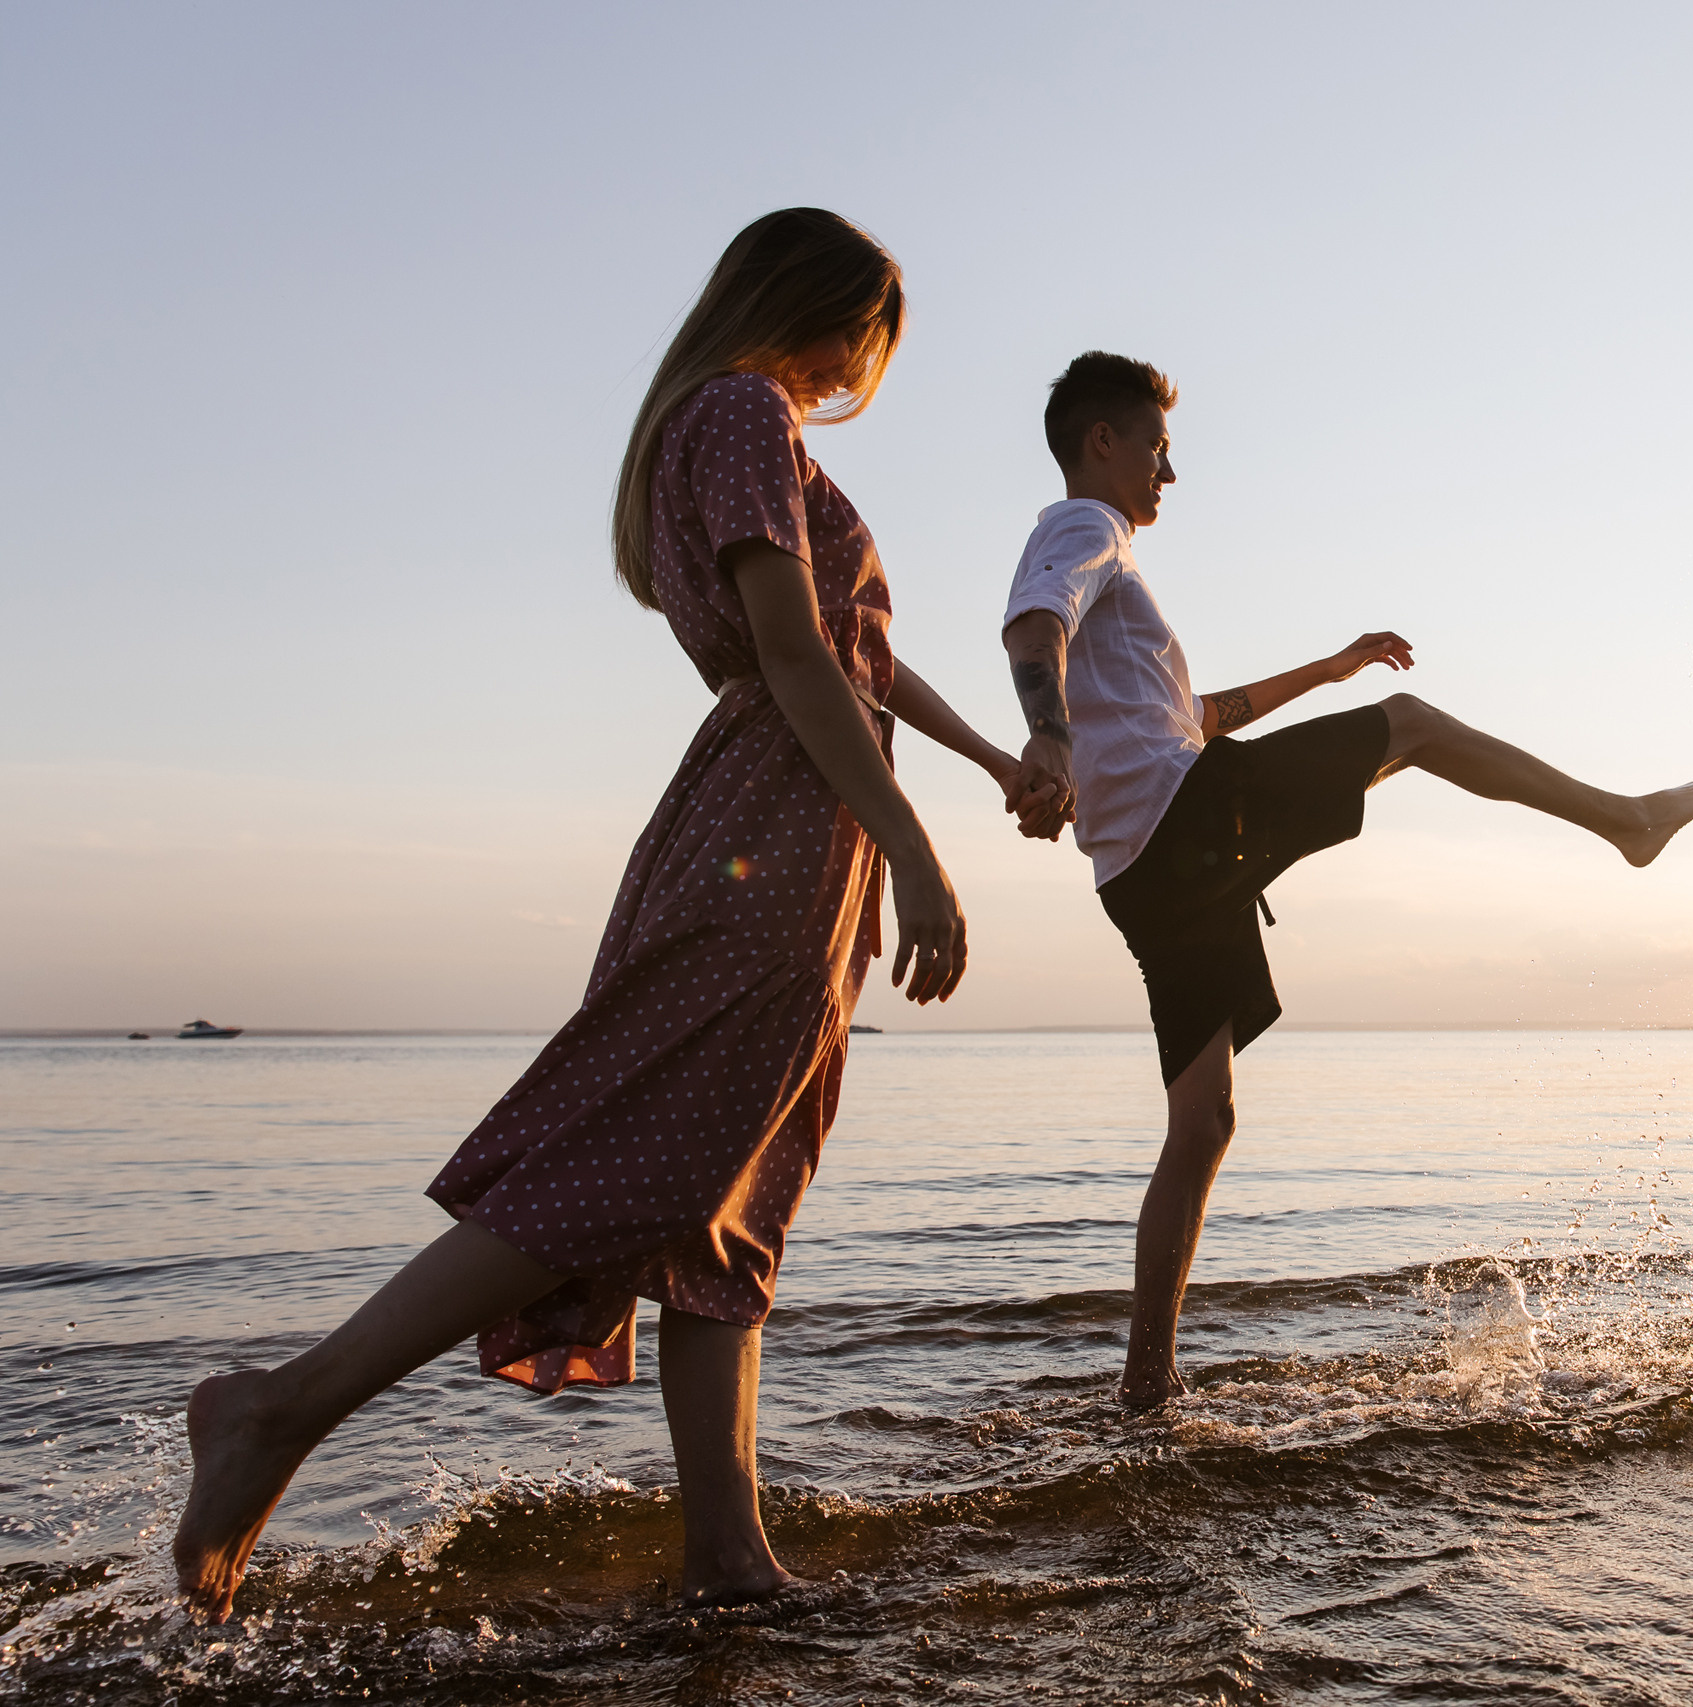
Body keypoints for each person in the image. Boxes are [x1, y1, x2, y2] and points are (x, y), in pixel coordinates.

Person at [173, 208, 1059, 1620]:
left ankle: (726, 1551)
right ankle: (281, 1406)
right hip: (773, 820)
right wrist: (918, 846)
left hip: (807, 824)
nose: (862, 365)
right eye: (867, 334)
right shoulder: (734, 414)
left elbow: (859, 657)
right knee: (636, 1160)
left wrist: (994, 765)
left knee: (728, 1210)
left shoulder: (759, 434)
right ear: (827, 315)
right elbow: (790, 652)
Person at [999, 351, 1693, 1412]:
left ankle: (1145, 1392)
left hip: (1144, 873)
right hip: (1184, 821)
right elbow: (1034, 625)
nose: (1170, 471)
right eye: (1156, 447)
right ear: (1101, 442)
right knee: (1414, 728)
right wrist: (1048, 741)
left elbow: (1203, 717)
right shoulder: (1083, 531)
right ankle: (1625, 821)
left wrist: (1329, 668)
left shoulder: (1117, 594)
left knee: (1202, 1122)